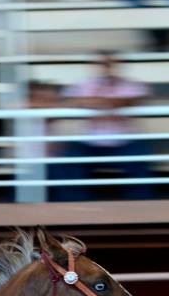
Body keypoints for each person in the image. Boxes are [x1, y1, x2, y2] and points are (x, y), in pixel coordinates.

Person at [54, 51, 152, 202]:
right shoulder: (83, 83)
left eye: (111, 64)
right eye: (103, 64)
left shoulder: (132, 84)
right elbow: (70, 102)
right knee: (70, 163)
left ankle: (140, 206)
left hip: (124, 142)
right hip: (89, 142)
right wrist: (110, 104)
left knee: (140, 164)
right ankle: (74, 206)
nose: (107, 67)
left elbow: (133, 100)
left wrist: (94, 103)